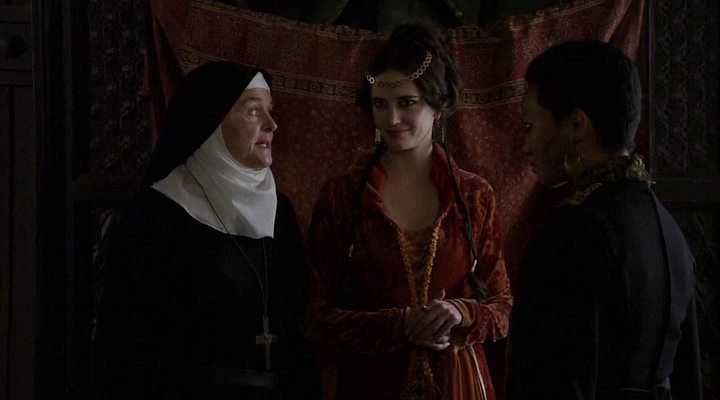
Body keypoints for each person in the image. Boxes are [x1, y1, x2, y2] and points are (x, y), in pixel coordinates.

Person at [304, 24, 513, 400]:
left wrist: (461, 313)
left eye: (406, 103)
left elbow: (503, 310)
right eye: (380, 104)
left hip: (457, 386)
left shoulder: (475, 196)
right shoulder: (343, 195)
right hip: (372, 387)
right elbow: (315, 316)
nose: (391, 119)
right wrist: (399, 325)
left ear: (438, 104)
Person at [92, 61, 320, 400]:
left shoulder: (280, 211)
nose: (272, 124)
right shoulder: (158, 212)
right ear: (211, 122)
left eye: (269, 111)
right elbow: (124, 342)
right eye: (253, 111)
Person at [506, 40, 703, 399]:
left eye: (530, 125)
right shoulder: (666, 226)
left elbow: (545, 381)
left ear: (576, 124)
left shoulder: (573, 229)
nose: (525, 145)